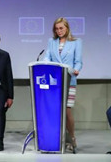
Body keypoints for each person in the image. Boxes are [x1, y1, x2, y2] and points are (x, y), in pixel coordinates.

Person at [42, 17, 83, 152]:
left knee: (66, 110)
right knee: (55, 111)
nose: (59, 31)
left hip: (68, 80)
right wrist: (46, 63)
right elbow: (47, 56)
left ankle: (72, 138)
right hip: (54, 81)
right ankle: (58, 139)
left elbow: (78, 61)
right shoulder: (51, 42)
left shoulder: (76, 42)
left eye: (61, 28)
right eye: (57, 28)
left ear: (67, 28)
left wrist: (76, 69)